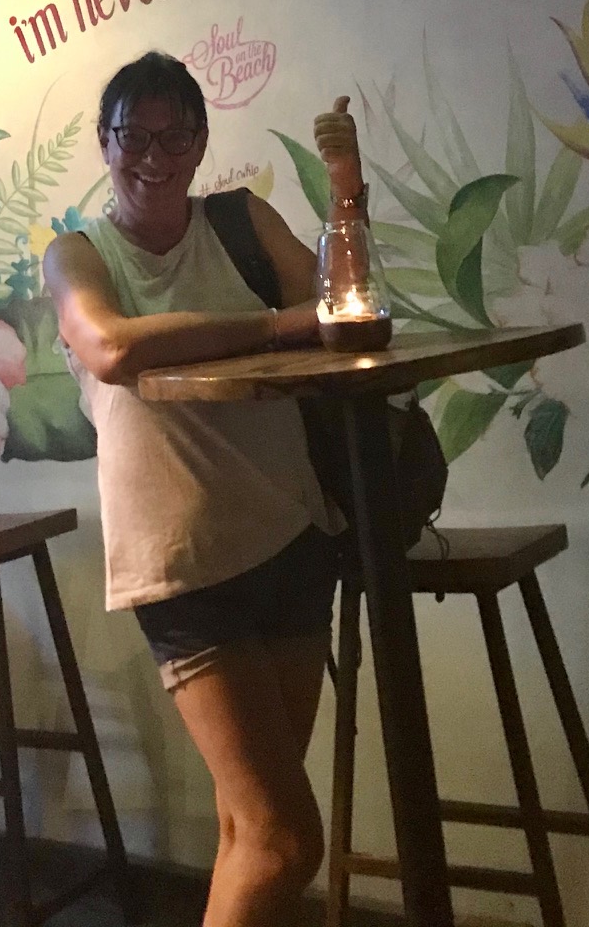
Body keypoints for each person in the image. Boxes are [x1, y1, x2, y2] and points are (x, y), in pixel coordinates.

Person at [44, 50, 356, 927]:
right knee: (284, 840)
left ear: (201, 142)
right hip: (183, 564)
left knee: (246, 831)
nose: (154, 155)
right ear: (104, 142)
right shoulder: (77, 254)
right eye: (134, 136)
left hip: (291, 534)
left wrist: (345, 188)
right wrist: (274, 326)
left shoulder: (240, 221)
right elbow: (111, 347)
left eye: (174, 136)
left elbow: (344, 308)